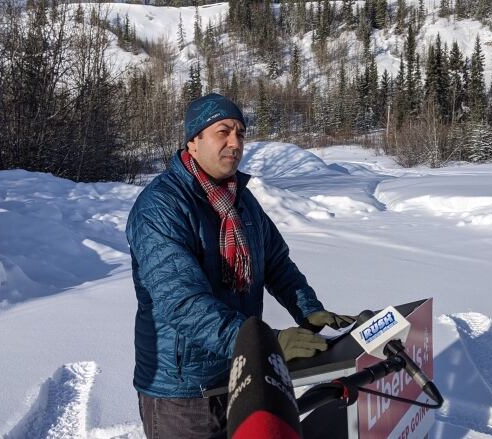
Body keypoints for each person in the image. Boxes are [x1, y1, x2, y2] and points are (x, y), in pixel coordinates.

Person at [126, 93, 354, 438]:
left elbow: (276, 262)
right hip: (183, 391)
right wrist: (264, 345)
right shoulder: (161, 208)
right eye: (223, 131)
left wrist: (309, 310)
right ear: (193, 140)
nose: (235, 143)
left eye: (241, 133)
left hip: (237, 373)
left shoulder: (241, 199)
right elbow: (182, 302)